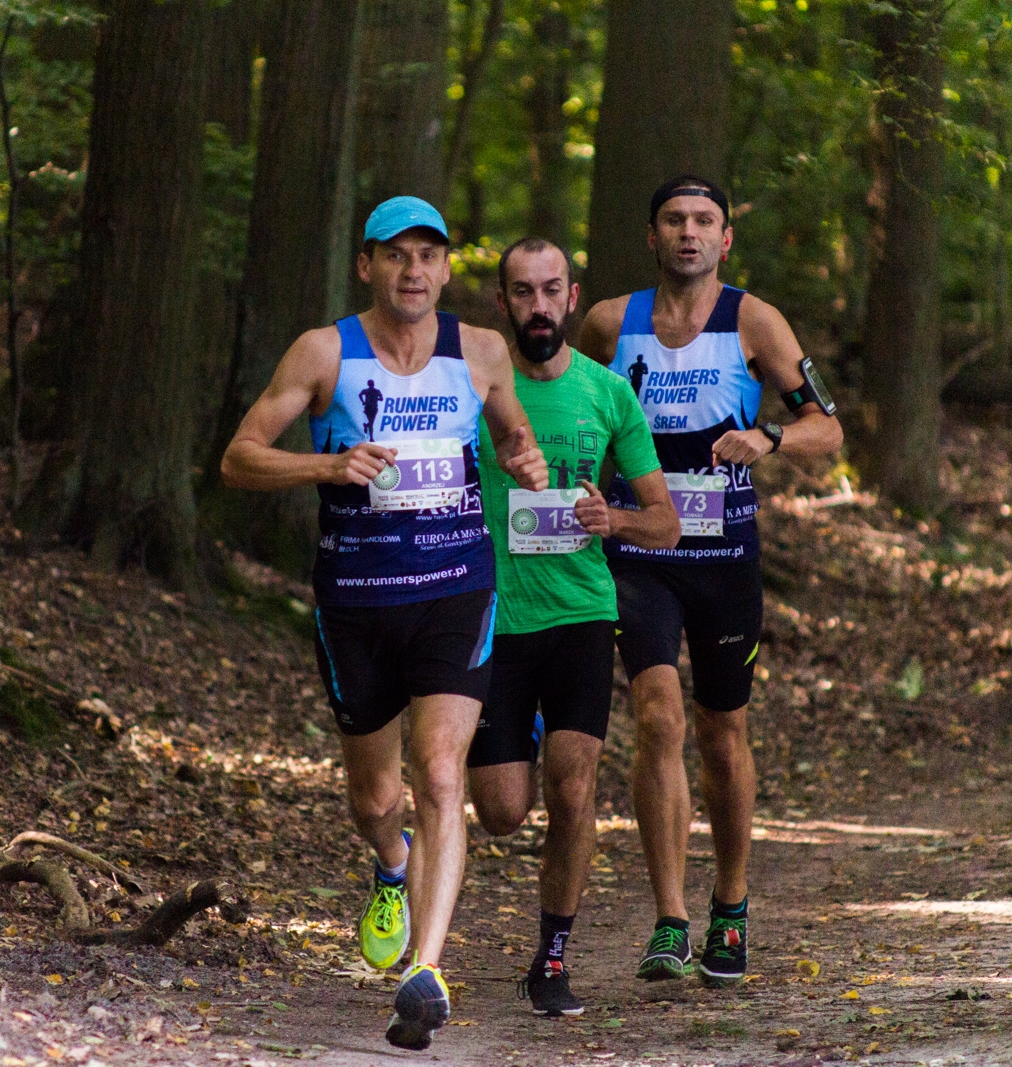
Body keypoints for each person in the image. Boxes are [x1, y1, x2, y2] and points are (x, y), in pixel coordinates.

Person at [221, 196, 548, 1050]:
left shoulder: (480, 351)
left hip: (454, 587)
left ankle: (426, 971)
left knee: (442, 772)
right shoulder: (325, 352)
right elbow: (239, 456)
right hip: (357, 602)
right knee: (375, 795)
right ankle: (391, 865)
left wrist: (524, 455)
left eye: (428, 257)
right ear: (367, 265)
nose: (413, 271)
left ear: (446, 269)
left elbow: (513, 435)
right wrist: (329, 461)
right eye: (396, 256)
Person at [578, 175, 843, 987]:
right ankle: (669, 919)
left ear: (725, 239)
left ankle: (729, 905)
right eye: (673, 220)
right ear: (651, 235)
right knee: (657, 717)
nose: (688, 233)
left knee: (723, 733)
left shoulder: (753, 322)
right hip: (638, 554)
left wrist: (767, 437)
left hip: (725, 559)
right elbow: (565, 407)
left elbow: (826, 428)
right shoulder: (607, 324)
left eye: (704, 221)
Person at [467, 237, 679, 1017]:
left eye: (551, 290)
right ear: (503, 305)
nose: (539, 306)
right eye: (522, 293)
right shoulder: (477, 389)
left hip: (582, 614)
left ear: (574, 296)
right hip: (495, 617)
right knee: (500, 809)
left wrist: (612, 516)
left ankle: (552, 955)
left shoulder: (608, 393)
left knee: (575, 781)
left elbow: (667, 522)